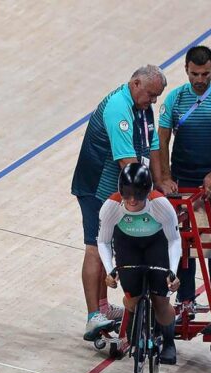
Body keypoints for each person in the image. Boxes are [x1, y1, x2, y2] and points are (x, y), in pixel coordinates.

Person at [71, 65, 167, 341]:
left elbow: (153, 147)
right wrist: (151, 197)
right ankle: (93, 317)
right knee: (95, 246)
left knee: (108, 245)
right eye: (151, 94)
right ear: (135, 84)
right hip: (96, 187)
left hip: (117, 189)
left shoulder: (143, 108)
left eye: (157, 96)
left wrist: (162, 182)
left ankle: (102, 307)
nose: (153, 101)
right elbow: (128, 163)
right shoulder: (118, 108)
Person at [156, 45, 211, 310]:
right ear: (186, 70)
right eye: (195, 74)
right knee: (182, 242)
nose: (200, 80)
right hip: (181, 182)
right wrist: (166, 177)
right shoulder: (174, 99)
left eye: (205, 74)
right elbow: (161, 139)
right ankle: (185, 300)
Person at [98, 163, 182, 364]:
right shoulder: (111, 207)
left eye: (138, 195)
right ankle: (135, 328)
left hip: (156, 244)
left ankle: (169, 343)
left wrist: (173, 271)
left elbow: (174, 240)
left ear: (148, 192)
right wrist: (110, 270)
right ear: (120, 192)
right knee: (132, 299)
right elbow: (102, 241)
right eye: (127, 195)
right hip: (128, 245)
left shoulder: (161, 205)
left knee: (161, 302)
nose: (133, 200)